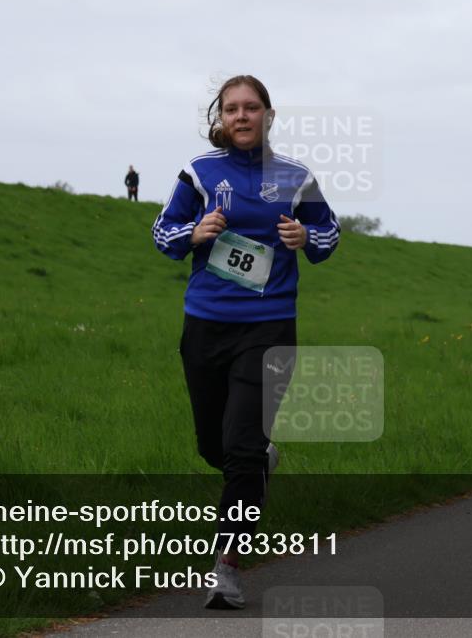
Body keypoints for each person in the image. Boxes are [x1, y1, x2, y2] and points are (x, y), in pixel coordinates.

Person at [151, 75, 340, 609]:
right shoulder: (199, 173)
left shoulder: (296, 177)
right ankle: (260, 460)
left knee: (239, 451)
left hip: (270, 327)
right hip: (205, 326)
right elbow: (162, 232)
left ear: (268, 115)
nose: (241, 116)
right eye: (231, 108)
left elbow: (329, 235)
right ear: (221, 117)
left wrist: (306, 239)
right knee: (213, 447)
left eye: (251, 107)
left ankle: (227, 568)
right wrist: (194, 233)